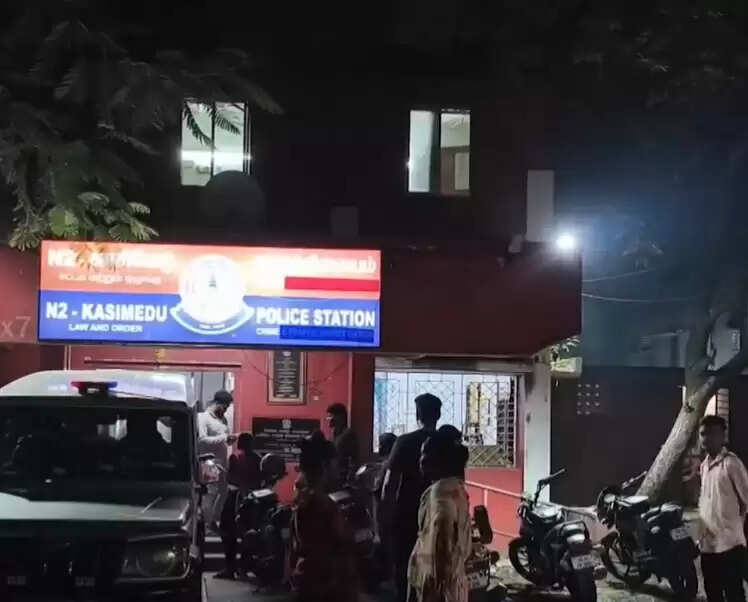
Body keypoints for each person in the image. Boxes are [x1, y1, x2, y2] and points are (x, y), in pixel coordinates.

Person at [381, 393, 442, 602]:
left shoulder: (404, 442)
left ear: (417, 414)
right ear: (438, 415)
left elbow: (390, 484)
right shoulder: (445, 444)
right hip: (438, 515)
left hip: (407, 516)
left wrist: (385, 516)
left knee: (404, 569)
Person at [289, 434, 358, 602]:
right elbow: (340, 539)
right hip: (326, 583)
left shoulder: (303, 497)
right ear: (324, 466)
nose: (337, 468)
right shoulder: (321, 503)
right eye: (335, 463)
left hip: (308, 577)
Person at [408, 429, 471, 602]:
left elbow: (442, 530)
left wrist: (440, 584)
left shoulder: (440, 492)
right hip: (452, 580)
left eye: (425, 454)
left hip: (436, 584)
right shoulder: (455, 488)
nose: (421, 460)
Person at [699, 414, 748, 602]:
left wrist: (738, 526)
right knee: (713, 593)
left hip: (730, 545)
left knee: (734, 593)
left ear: (723, 437)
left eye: (712, 433)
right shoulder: (704, 466)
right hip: (708, 546)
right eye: (703, 434)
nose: (706, 438)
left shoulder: (731, 463)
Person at [215, 433, 262, 580]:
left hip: (235, 497)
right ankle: (243, 566)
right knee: (249, 533)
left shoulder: (235, 457)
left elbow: (230, 478)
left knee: (227, 532)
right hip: (253, 499)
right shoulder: (258, 458)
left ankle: (230, 568)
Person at [197, 390, 237, 529]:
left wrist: (229, 440)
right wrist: (224, 437)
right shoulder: (203, 418)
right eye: (224, 407)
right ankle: (205, 524)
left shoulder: (222, 419)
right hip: (209, 463)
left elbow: (223, 440)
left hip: (222, 463)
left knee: (223, 492)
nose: (225, 410)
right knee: (210, 493)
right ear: (217, 403)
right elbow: (202, 440)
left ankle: (212, 520)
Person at [326, 403, 359, 486]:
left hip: (343, 478)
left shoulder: (348, 434)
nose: (328, 419)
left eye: (330, 416)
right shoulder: (332, 434)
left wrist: (350, 478)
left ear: (340, 417)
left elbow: (354, 457)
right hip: (332, 477)